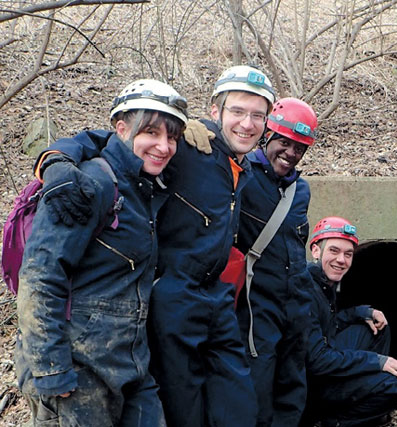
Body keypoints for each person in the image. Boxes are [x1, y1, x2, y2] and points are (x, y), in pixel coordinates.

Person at [34, 65, 276, 426]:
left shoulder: (245, 167)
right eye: (238, 111)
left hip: (217, 296)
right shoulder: (188, 148)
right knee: (183, 407)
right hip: (171, 296)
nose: (247, 123)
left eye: (258, 115)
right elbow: (117, 140)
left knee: (239, 405)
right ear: (215, 112)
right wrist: (56, 158)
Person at [15, 79, 187, 426]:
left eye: (171, 137)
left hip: (130, 366)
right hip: (77, 370)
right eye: (151, 133)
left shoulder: (145, 189)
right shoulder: (88, 184)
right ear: (121, 129)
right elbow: (39, 275)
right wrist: (51, 371)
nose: (163, 146)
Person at [234, 97, 318, 426]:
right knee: (257, 388)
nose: (291, 154)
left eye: (299, 148)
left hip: (296, 304)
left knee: (292, 387)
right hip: (257, 306)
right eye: (284, 143)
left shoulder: (301, 190)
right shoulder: (243, 176)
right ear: (267, 136)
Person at [302, 217, 397, 427]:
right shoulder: (306, 290)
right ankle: (335, 421)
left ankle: (365, 404)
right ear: (316, 251)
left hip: (321, 367)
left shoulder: (324, 283)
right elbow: (318, 361)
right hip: (309, 384)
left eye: (348, 254)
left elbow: (330, 324)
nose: (341, 260)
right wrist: (378, 362)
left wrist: (361, 312)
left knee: (375, 328)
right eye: (333, 251)